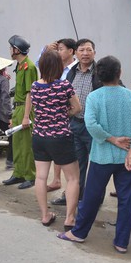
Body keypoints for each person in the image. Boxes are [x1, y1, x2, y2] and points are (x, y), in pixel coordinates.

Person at [57, 56, 131, 253]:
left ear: (98, 75)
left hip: (102, 157)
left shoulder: (94, 97)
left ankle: (78, 233)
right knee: (126, 200)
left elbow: (91, 125)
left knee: (91, 196)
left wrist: (112, 139)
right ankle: (122, 242)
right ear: (120, 73)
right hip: (129, 158)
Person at [26, 50, 81, 228]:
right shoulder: (64, 86)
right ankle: (69, 218)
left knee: (41, 178)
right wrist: (64, 114)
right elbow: (77, 108)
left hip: (39, 137)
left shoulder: (35, 86)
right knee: (72, 178)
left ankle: (45, 215)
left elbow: (36, 107)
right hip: (60, 137)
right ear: (59, 66)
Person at [52, 38, 100, 206]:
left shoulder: (100, 72)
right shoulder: (72, 72)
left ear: (94, 52)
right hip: (75, 123)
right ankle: (75, 196)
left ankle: (93, 200)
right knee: (76, 163)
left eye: (89, 50)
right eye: (82, 50)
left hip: (94, 126)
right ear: (76, 53)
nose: (85, 53)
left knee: (96, 165)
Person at [43, 38, 77, 193]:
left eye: (61, 49)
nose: (58, 52)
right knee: (59, 149)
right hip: (59, 120)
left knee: (72, 160)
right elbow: (40, 63)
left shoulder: (75, 69)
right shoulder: (57, 69)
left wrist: (64, 113)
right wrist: (46, 50)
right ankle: (57, 180)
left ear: (71, 51)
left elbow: (77, 106)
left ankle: (73, 188)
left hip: (71, 117)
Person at [3, 35, 37, 189]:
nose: (10, 50)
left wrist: (25, 116)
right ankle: (18, 173)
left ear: (17, 49)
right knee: (16, 143)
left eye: (11, 47)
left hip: (25, 108)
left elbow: (30, 93)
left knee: (26, 145)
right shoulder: (20, 66)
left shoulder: (29, 67)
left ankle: (30, 176)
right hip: (17, 107)